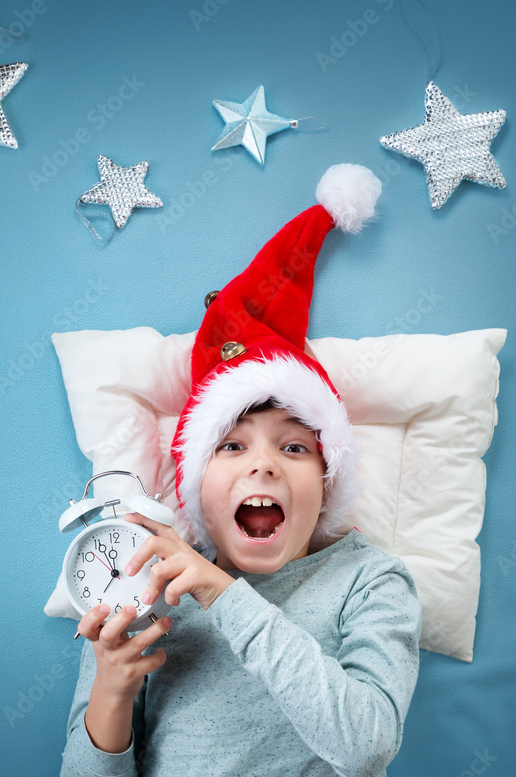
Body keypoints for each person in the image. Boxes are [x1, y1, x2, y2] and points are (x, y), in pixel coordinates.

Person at [60, 165, 422, 777]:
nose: (263, 464)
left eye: (294, 448)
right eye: (231, 447)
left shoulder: (370, 581)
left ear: (329, 479)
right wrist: (112, 688)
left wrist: (221, 593)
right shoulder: (143, 587)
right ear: (196, 484)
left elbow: (366, 747)